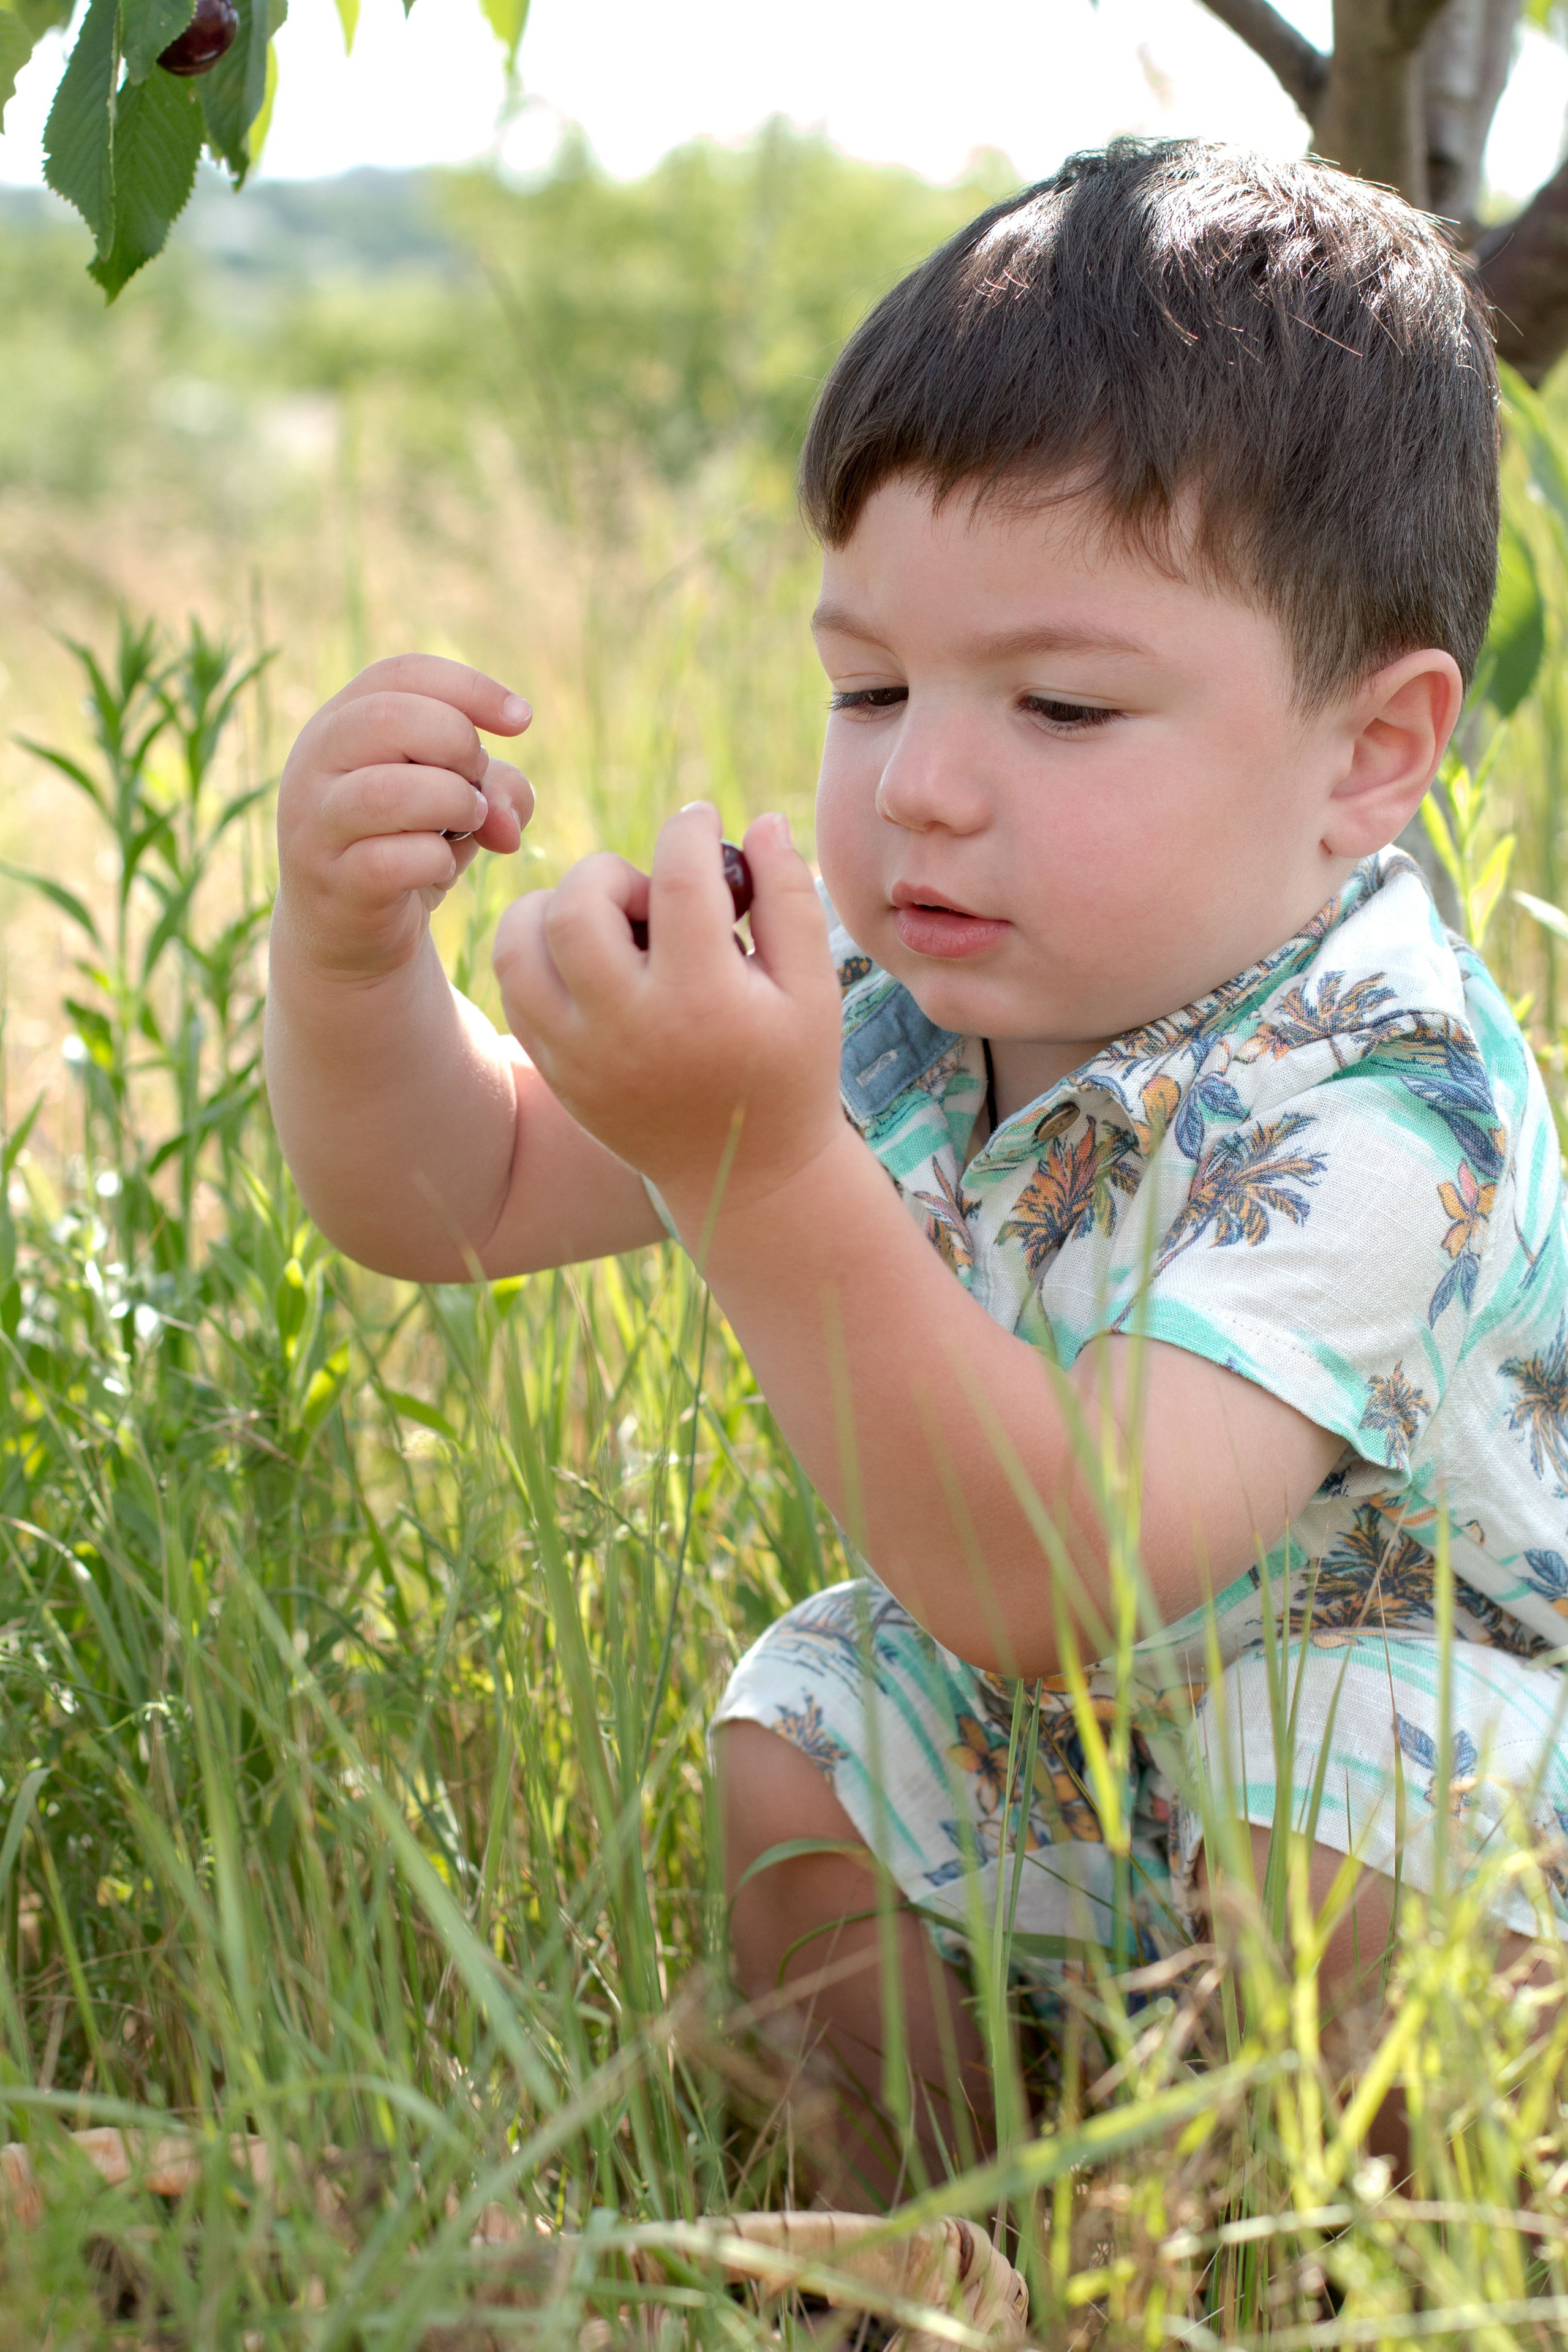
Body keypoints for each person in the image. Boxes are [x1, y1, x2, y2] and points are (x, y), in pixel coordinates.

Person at [266, 139, 1568, 2203]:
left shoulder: (1386, 1104)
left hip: (1455, 1818)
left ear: (1372, 755)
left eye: (1060, 704)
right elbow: (461, 1195)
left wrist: (757, 1162)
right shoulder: (898, 992)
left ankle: (1338, 2246)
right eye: (869, 685)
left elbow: (1048, 1571)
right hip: (1089, 1779)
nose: (925, 784)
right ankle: (950, 2228)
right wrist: (352, 965)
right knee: (807, 1737)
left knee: (1337, 1763)